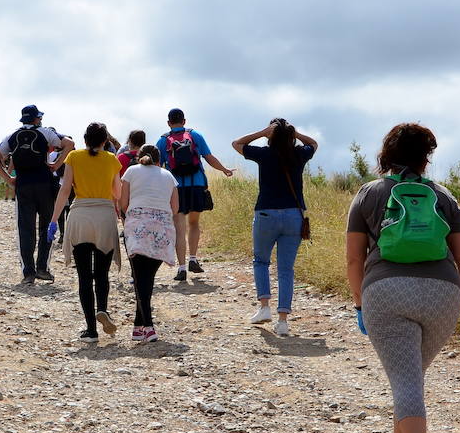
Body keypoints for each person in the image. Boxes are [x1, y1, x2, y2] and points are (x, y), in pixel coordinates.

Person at [345, 123, 460, 433]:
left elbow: (352, 260)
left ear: (386, 154)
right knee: (409, 376)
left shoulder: (368, 194)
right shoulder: (443, 196)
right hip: (443, 293)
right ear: (426, 157)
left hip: (386, 292)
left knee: (405, 380)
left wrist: (360, 303)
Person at [232, 119, 319, 337]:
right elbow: (315, 144)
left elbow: (236, 143)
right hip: (293, 215)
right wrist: (296, 134)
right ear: (290, 136)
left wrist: (263, 132)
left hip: (266, 213)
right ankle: (282, 321)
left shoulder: (264, 154)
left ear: (270, 136)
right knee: (286, 269)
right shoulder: (299, 154)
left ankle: (264, 307)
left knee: (261, 261)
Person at [47, 122, 122, 343]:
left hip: (80, 216)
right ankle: (103, 309)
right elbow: (117, 192)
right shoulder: (112, 160)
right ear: (105, 141)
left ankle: (90, 330)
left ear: (85, 139)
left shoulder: (74, 157)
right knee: (102, 273)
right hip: (104, 217)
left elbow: (65, 189)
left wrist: (53, 221)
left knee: (83, 277)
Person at [0, 105, 69, 284]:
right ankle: (43, 268)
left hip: (23, 185)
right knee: (46, 226)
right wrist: (56, 164)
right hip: (45, 184)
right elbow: (69, 144)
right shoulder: (46, 133)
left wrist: (9, 178)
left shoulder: (12, 136)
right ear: (36, 119)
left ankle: (28, 272)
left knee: (25, 229)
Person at [157, 108, 234, 282]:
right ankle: (193, 259)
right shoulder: (195, 135)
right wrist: (224, 170)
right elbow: (208, 157)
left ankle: (182, 268)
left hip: (176, 188)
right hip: (197, 184)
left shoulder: (162, 141)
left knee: (179, 227)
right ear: (184, 121)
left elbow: (157, 167)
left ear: (169, 123)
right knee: (194, 223)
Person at [119, 144, 178, 343]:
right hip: (162, 229)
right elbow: (175, 208)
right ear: (159, 160)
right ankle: (138, 327)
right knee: (147, 279)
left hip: (137, 227)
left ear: (139, 157)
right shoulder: (169, 176)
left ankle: (149, 327)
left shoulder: (131, 171)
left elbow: (123, 203)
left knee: (139, 278)